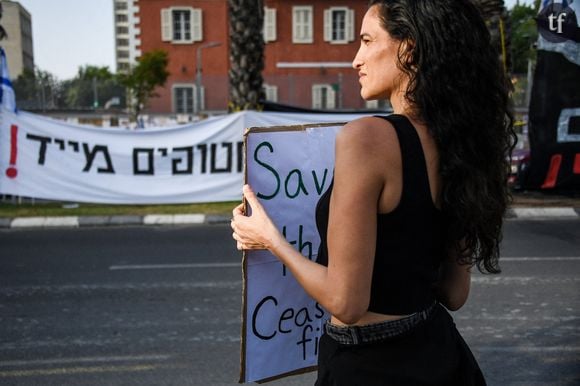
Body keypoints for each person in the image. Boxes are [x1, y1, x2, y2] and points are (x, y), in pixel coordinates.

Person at [231, 0, 515, 384]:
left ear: (408, 48)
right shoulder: (463, 144)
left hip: (369, 365)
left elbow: (347, 303)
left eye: (366, 41)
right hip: (441, 355)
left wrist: (270, 240)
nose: (355, 60)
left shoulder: (368, 138)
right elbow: (454, 291)